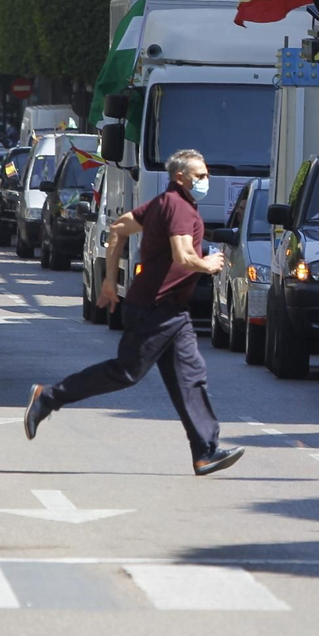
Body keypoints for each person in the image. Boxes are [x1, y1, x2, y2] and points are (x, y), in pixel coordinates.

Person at [24, 148, 244, 476]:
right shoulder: (180, 208)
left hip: (171, 311)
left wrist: (111, 281)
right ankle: (48, 397)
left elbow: (117, 228)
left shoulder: (163, 203)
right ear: (180, 178)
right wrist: (208, 264)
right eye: (200, 176)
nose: (206, 181)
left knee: (190, 376)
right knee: (126, 372)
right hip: (155, 309)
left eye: (206, 175)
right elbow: (183, 256)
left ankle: (205, 451)